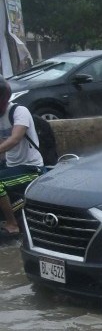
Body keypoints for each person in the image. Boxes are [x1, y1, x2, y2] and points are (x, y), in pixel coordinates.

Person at [0, 79, 45, 238]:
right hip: (11, 165)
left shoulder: (19, 111)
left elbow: (15, 139)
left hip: (32, 168)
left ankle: (12, 224)